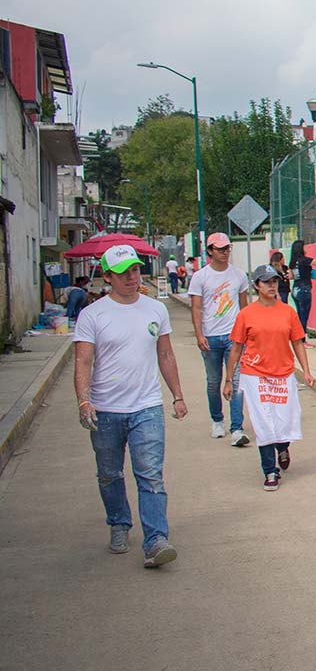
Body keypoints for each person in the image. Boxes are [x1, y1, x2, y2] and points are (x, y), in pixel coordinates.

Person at [74, 245, 188, 567]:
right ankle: (119, 524)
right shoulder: (92, 315)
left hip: (147, 407)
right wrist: (84, 401)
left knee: (150, 475)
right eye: (122, 272)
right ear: (108, 276)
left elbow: (165, 354)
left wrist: (177, 395)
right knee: (109, 473)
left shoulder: (155, 309)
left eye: (135, 270)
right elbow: (83, 360)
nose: (131, 277)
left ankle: (155, 540)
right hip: (106, 410)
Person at [224, 265, 314, 491]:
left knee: (283, 419)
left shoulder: (288, 312)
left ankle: (282, 446)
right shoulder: (246, 315)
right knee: (263, 423)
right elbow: (236, 348)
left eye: (274, 281)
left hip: (283, 374)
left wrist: (306, 370)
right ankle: (270, 471)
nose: (272, 285)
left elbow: (297, 342)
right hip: (255, 375)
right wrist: (228, 380)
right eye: (266, 282)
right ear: (256, 286)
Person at [188, 232, 251, 446]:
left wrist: (247, 333)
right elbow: (196, 308)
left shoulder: (239, 275)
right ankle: (217, 420)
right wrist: (199, 334)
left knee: (235, 381)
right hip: (210, 337)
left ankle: (237, 428)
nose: (225, 252)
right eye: (220, 249)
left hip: (234, 337)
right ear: (210, 251)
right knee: (213, 381)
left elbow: (244, 307)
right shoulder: (200, 277)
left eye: (227, 249)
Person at [289, 240, 315, 334]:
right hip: (304, 289)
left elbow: (291, 276)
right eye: (304, 246)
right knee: (304, 315)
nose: (306, 248)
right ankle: (302, 338)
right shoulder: (304, 260)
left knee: (300, 314)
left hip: (295, 288)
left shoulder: (292, 262)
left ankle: (299, 336)